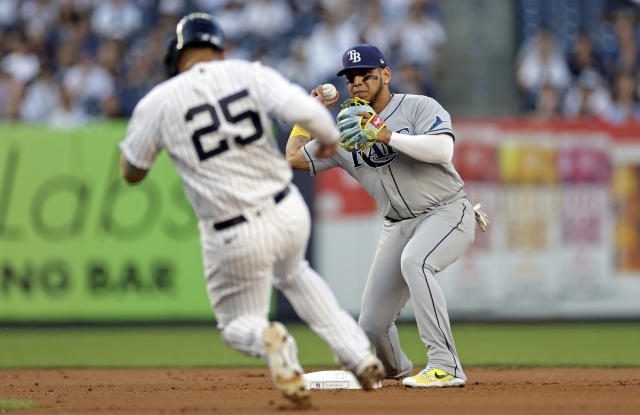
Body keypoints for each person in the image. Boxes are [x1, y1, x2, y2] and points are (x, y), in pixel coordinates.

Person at [118, 14, 384, 405]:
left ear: (176, 57)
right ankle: (359, 355)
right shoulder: (247, 73)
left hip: (232, 229)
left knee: (234, 324)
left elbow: (133, 171)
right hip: (286, 209)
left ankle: (267, 338)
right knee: (296, 273)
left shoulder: (158, 101)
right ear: (221, 51)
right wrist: (328, 137)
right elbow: (308, 113)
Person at [286, 44, 487, 388]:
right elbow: (293, 158)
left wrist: (386, 135)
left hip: (447, 210)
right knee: (372, 325)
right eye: (351, 78)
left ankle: (446, 364)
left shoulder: (418, 107)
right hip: (398, 225)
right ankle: (394, 368)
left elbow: (443, 149)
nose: (358, 82)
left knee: (416, 262)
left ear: (386, 75)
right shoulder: (345, 134)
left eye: (367, 75)